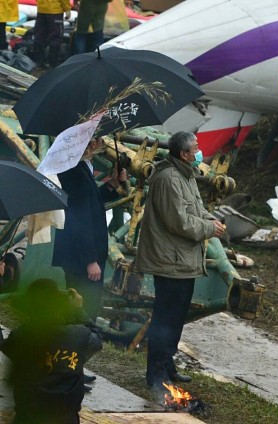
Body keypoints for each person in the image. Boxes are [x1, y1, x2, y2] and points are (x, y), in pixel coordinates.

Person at [136, 131, 225, 395]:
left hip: (183, 261)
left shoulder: (186, 175)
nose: (200, 152)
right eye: (195, 148)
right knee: (165, 320)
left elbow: (196, 211)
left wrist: (212, 221)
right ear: (184, 154)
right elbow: (180, 222)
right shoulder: (168, 179)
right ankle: (156, 376)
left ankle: (168, 366)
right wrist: (209, 229)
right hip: (170, 261)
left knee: (175, 320)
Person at [0, 278, 102, 424]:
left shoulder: (20, 337)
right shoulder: (80, 335)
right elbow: (97, 340)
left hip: (28, 417)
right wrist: (78, 310)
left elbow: (7, 350)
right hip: (66, 419)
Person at [52, 136, 126, 323]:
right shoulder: (75, 171)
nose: (101, 144)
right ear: (90, 144)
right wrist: (90, 260)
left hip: (77, 256)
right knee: (85, 311)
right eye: (98, 140)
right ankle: (77, 348)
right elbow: (80, 218)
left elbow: (90, 202)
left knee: (82, 310)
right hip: (80, 259)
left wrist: (112, 184)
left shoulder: (80, 167)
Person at [33, 0, 71, 67]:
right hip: (55, 11)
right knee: (56, 37)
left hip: (41, 10)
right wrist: (67, 9)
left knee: (39, 35)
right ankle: (53, 64)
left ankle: (39, 62)